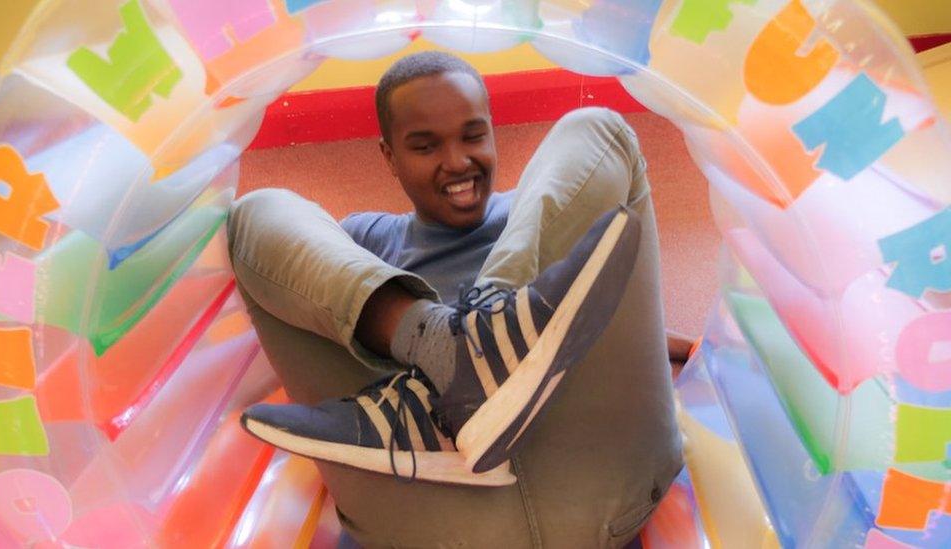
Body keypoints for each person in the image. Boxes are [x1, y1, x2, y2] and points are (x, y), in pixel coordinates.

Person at [227, 51, 683, 547]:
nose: (457, 162)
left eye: (472, 136)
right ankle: (450, 348)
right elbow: (295, 277)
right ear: (389, 157)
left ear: (491, 130)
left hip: (592, 474)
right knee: (255, 212)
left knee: (597, 126)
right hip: (433, 495)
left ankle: (482, 341)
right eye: (425, 146)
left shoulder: (547, 211)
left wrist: (678, 342)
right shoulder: (366, 241)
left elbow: (608, 313)